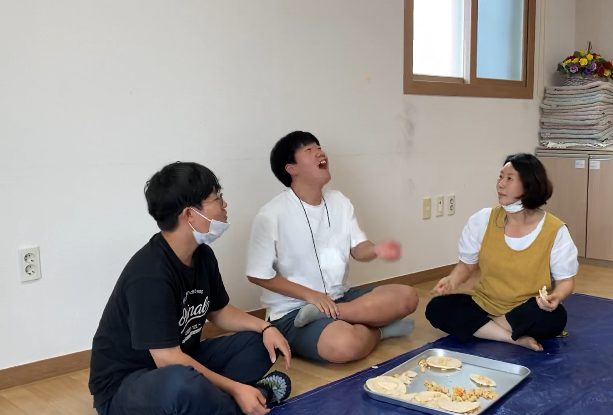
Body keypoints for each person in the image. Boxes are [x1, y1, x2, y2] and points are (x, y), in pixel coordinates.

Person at [89, 162, 292, 415]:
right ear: (190, 214)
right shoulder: (150, 274)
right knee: (181, 384)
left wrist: (266, 327)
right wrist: (236, 388)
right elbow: (166, 359)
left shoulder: (202, 254)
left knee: (261, 343)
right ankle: (246, 398)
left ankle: (222, 402)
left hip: (183, 360)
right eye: (217, 198)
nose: (225, 205)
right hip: (127, 385)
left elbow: (219, 311)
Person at [246, 131, 419, 364]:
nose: (320, 153)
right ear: (291, 168)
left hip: (341, 298)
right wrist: (311, 295)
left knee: (407, 297)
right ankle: (380, 330)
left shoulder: (339, 201)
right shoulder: (271, 214)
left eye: (319, 147)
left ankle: (335, 316)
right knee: (345, 345)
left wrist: (377, 250)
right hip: (294, 311)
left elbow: (359, 249)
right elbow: (257, 274)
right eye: (309, 150)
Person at [426, 153, 578, 352]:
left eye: (509, 178)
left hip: (527, 307)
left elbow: (565, 281)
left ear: (529, 185)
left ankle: (484, 328)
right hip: (485, 303)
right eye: (500, 176)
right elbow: (467, 265)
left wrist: (556, 297)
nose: (500, 184)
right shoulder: (482, 220)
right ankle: (512, 337)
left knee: (555, 317)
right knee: (437, 307)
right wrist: (452, 280)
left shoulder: (555, 230)